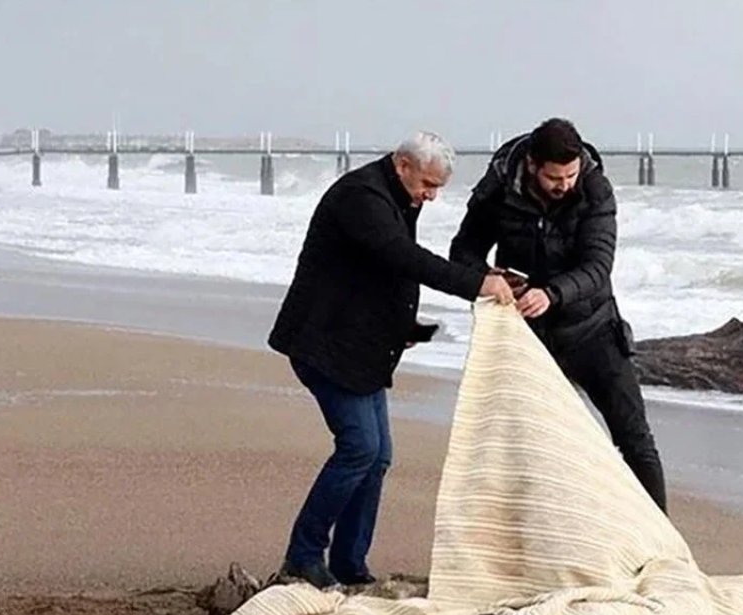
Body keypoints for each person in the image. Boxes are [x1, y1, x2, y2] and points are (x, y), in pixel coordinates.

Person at [267, 131, 516, 588]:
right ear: (402, 164)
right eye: (427, 184)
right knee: (360, 448)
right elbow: (403, 258)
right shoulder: (361, 197)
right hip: (325, 343)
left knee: (378, 456)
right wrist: (476, 283)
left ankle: (349, 562)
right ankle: (303, 555)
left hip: (362, 346)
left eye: (438, 187)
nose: (431, 196)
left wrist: (407, 328)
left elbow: (380, 275)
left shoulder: (400, 196)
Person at [448, 118, 668, 513]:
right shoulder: (498, 187)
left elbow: (599, 266)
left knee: (634, 437)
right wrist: (487, 276)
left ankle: (663, 542)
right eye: (554, 177)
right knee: (530, 445)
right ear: (532, 165)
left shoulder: (595, 190)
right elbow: (463, 250)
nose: (564, 184)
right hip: (525, 336)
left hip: (593, 327)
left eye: (571, 174)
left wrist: (552, 294)